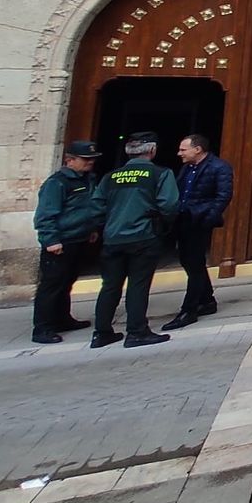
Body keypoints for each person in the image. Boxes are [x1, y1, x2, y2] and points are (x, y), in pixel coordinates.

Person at [89, 132, 180, 349]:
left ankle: (101, 333)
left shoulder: (111, 177)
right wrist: (163, 225)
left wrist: (107, 225)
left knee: (110, 286)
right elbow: (169, 205)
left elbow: (96, 207)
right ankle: (136, 332)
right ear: (152, 150)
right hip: (144, 235)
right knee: (138, 285)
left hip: (113, 238)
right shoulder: (160, 174)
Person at [32, 141, 102, 345]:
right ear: (70, 160)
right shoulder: (58, 183)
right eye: (85, 159)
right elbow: (45, 214)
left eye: (92, 159)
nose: (90, 163)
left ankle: (62, 319)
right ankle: (43, 328)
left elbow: (86, 208)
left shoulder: (88, 179)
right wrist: (51, 240)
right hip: (61, 241)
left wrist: (91, 229)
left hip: (79, 238)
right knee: (52, 285)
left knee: (67, 282)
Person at [164, 134, 234, 331]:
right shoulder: (187, 168)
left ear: (198, 149)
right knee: (189, 261)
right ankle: (207, 299)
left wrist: (208, 217)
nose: (179, 153)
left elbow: (223, 196)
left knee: (194, 264)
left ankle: (189, 309)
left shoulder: (219, 167)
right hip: (184, 219)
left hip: (199, 221)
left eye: (183, 149)